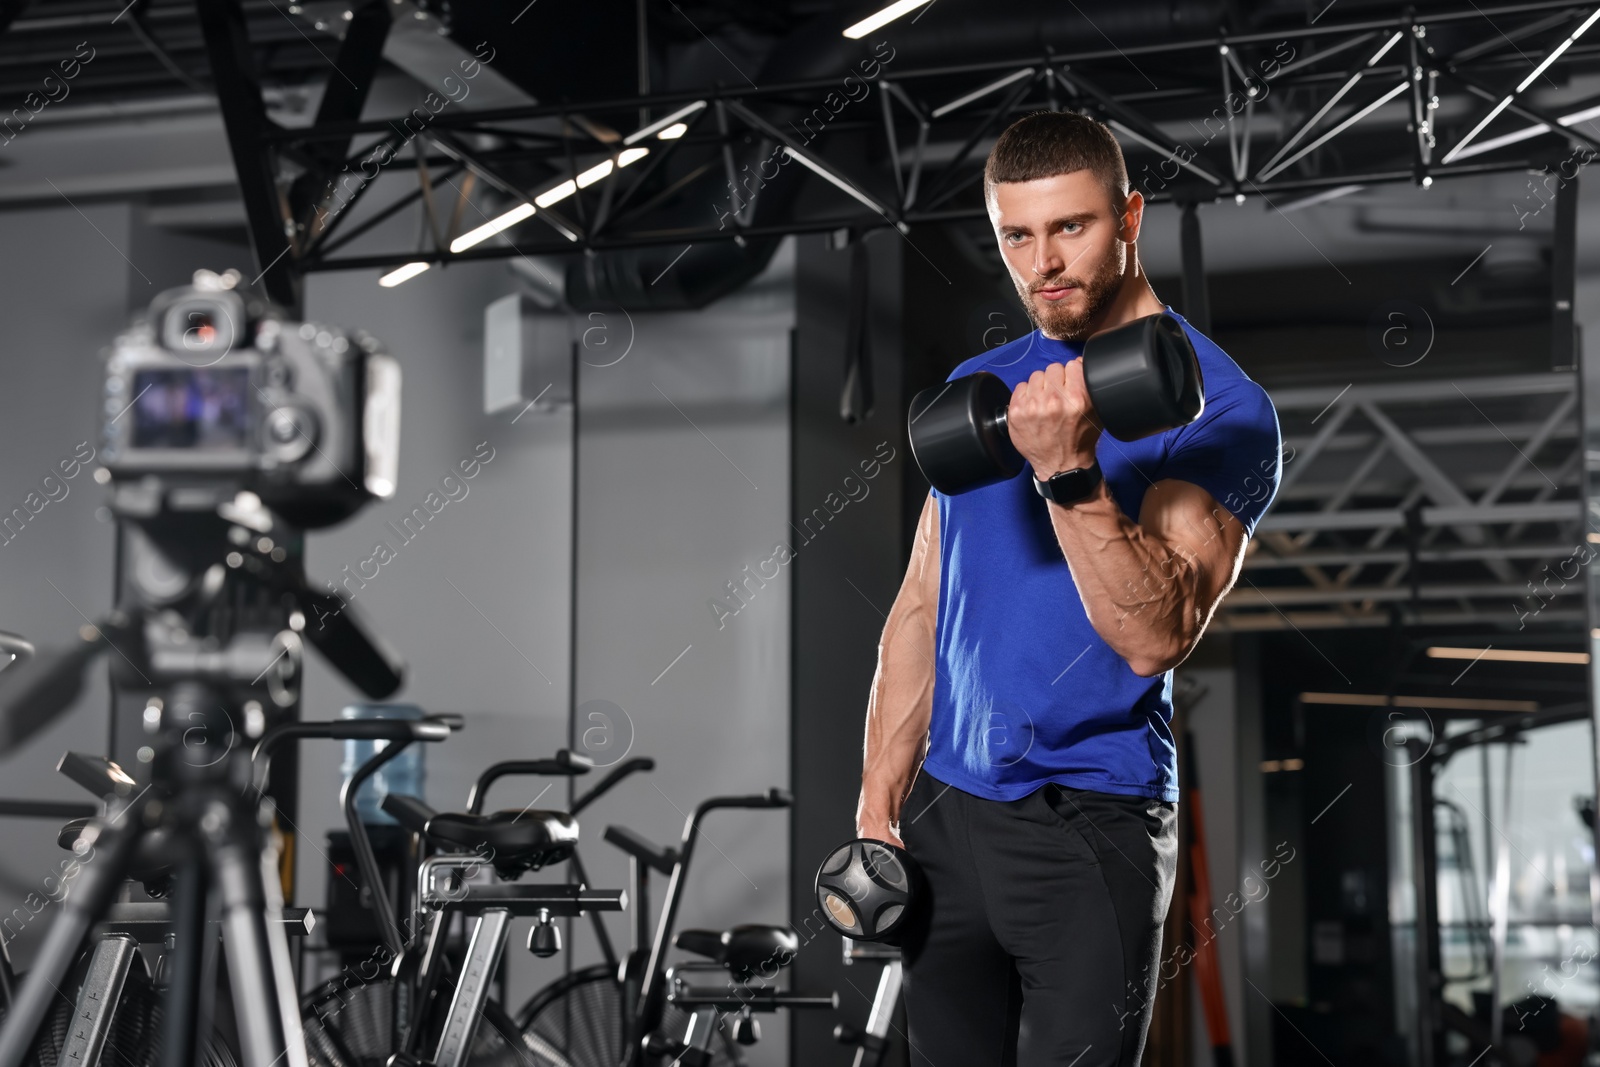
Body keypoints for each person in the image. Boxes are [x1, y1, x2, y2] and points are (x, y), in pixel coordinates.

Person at [855, 110, 1282, 1066]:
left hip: (1091, 823)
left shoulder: (1221, 407)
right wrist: (880, 798)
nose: (1043, 262)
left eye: (1072, 228)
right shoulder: (982, 383)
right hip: (948, 816)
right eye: (1018, 235)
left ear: (1129, 215)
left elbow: (1155, 634)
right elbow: (927, 600)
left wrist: (1069, 477)